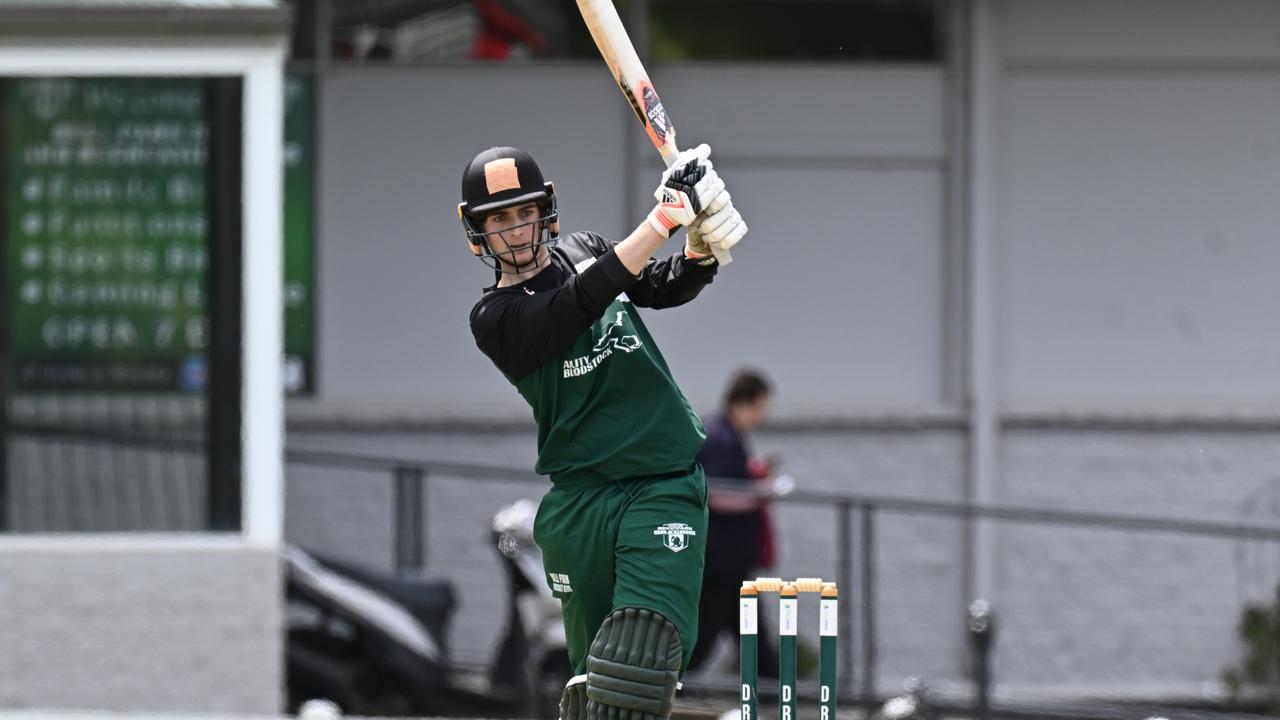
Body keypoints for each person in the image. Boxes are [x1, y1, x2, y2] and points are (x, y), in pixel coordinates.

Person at [461, 143, 747, 720]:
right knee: (596, 686)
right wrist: (662, 219)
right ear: (478, 235)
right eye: (499, 219)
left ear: (547, 212)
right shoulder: (494, 318)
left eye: (524, 212)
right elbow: (579, 302)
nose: (516, 230)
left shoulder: (583, 251)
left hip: (660, 481)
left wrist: (699, 250)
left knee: (637, 660)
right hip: (579, 502)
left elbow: (661, 285)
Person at [686, 369, 780, 676]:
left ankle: (771, 689)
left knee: (748, 630)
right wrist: (761, 492)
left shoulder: (724, 434)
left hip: (728, 556)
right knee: (708, 632)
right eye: (761, 406)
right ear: (745, 402)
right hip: (722, 556)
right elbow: (714, 491)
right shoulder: (722, 437)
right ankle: (671, 685)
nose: (762, 415)